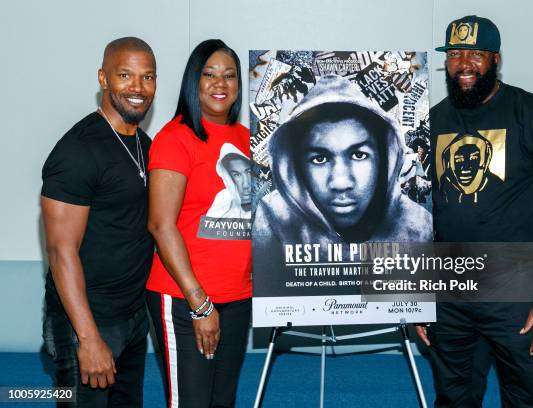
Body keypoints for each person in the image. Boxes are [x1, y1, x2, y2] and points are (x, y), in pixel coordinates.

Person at [416, 15, 533, 407]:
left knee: (529, 400)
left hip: (519, 292)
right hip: (450, 291)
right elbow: (418, 212)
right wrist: (417, 295)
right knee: (454, 399)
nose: (464, 63)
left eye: (475, 53)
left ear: (495, 58)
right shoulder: (431, 122)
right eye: (455, 53)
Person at [41, 37, 157, 406]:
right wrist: (88, 339)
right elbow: (61, 252)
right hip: (86, 322)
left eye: (147, 77)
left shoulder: (144, 143)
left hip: (133, 315)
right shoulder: (77, 151)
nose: (138, 88)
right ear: (103, 79)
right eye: (125, 75)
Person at [252, 74, 432, 295]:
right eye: (319, 159)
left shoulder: (417, 225)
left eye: (358, 155)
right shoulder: (272, 219)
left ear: (385, 156)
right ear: (295, 165)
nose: (340, 182)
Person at [145, 39, 251, 408]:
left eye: (229, 76)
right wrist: (200, 304)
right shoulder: (175, 138)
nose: (220, 83)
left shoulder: (248, 139)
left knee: (222, 401)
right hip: (186, 299)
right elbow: (161, 225)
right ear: (194, 80)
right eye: (209, 74)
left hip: (239, 297)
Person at [206, 143, 253, 219]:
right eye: (237, 175)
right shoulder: (223, 198)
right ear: (229, 178)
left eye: (249, 172)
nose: (245, 185)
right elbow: (207, 230)